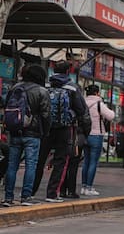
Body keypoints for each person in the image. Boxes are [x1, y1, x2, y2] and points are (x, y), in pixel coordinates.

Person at [32, 60, 86, 203]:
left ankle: (30, 191)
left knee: (39, 160)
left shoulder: (46, 85)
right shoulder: (73, 88)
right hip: (64, 128)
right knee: (61, 161)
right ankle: (52, 194)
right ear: (68, 72)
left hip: (46, 128)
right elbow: (81, 110)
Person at [2, 64, 51, 207]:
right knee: (31, 165)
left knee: (12, 165)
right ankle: (26, 197)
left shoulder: (14, 88)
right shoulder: (42, 91)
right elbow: (46, 115)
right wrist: (45, 132)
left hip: (15, 131)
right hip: (33, 133)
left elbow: (7, 106)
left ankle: (8, 197)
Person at [82, 84, 114, 196]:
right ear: (97, 93)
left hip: (85, 135)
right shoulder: (99, 103)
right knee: (93, 162)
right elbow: (111, 116)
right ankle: (89, 188)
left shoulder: (83, 103)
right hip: (96, 136)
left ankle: (83, 186)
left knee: (86, 161)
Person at [60, 86, 91, 199]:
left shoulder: (62, 102)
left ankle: (61, 190)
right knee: (73, 165)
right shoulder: (81, 105)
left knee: (62, 163)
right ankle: (71, 191)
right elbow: (87, 120)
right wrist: (85, 135)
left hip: (62, 135)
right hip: (77, 136)